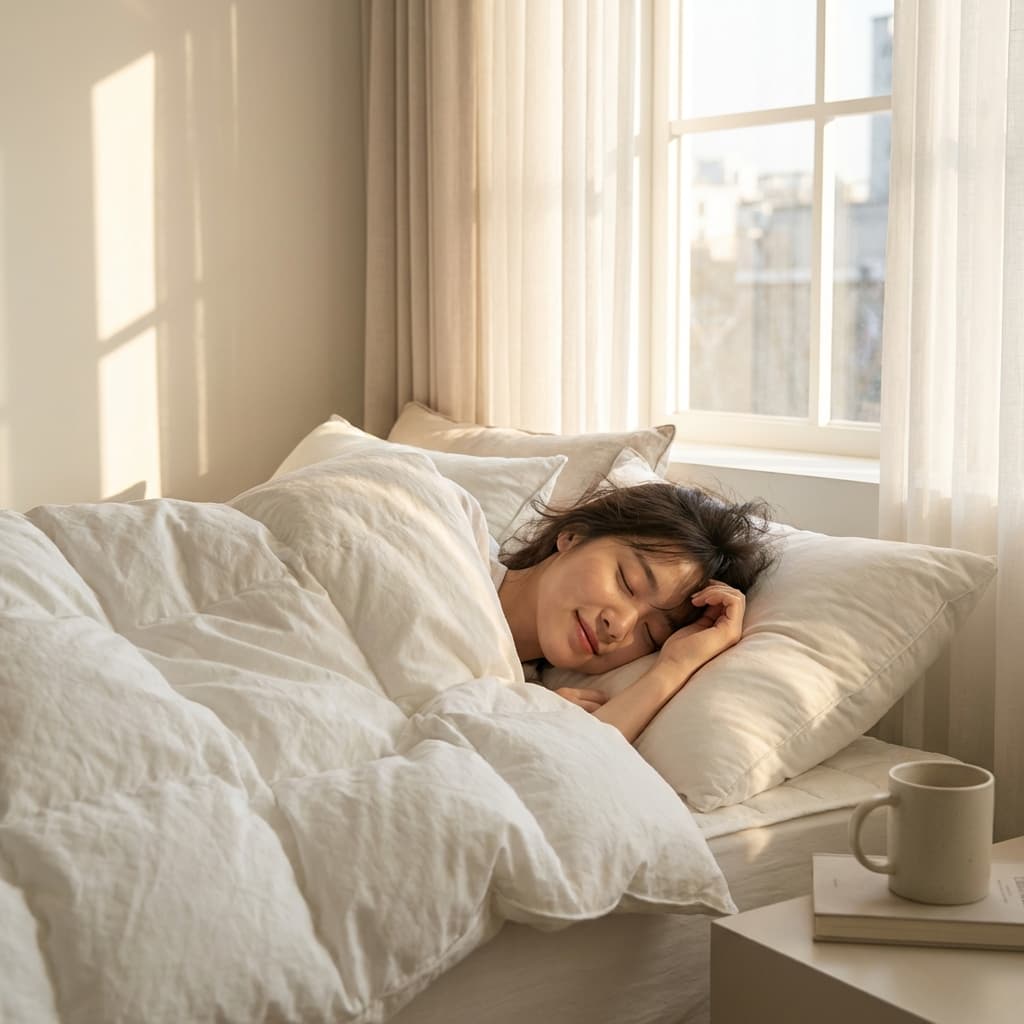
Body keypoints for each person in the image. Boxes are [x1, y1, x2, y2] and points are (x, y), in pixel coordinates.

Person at [491, 482, 775, 743]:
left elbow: (574, 759)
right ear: (574, 535)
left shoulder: (527, 698)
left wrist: (675, 667)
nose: (621, 627)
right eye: (627, 583)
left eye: (650, 634)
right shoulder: (464, 543)